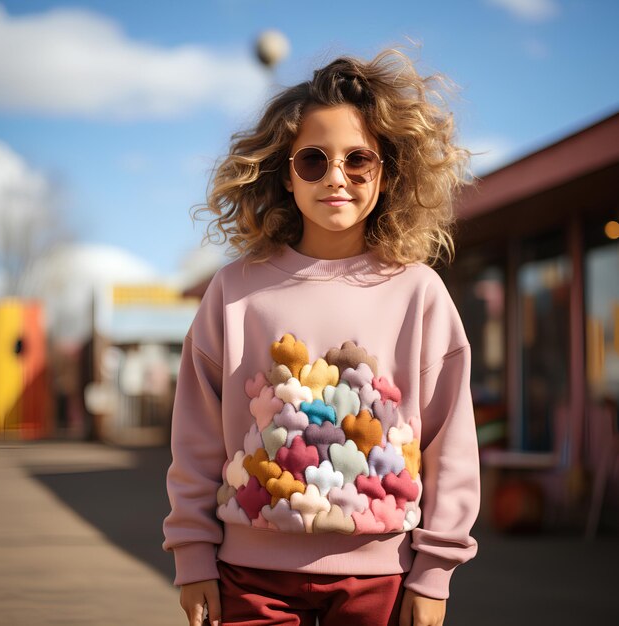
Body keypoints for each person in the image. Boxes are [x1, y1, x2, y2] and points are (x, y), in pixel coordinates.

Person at [162, 46, 481, 626]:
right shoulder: (234, 291)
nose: (337, 177)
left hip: (382, 578)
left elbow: (449, 443)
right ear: (287, 173)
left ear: (386, 175)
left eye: (359, 160)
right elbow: (196, 439)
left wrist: (435, 572)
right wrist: (193, 556)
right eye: (314, 160)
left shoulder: (419, 293)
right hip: (247, 579)